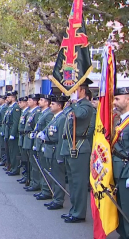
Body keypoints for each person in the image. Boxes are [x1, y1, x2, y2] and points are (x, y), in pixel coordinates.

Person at [60, 79, 94, 223]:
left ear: (82, 90)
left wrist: (73, 103)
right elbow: (65, 116)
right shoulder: (76, 105)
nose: (72, 93)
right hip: (70, 145)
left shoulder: (86, 105)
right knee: (72, 181)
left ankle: (79, 213)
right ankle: (74, 210)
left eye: (75, 90)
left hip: (79, 145)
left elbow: (80, 115)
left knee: (79, 183)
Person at [42, 95, 68, 210]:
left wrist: (60, 155)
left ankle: (58, 200)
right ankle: (55, 197)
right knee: (52, 174)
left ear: (59, 105)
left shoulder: (62, 118)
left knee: (58, 176)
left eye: (53, 104)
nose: (50, 106)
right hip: (50, 148)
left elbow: (62, 138)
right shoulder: (55, 117)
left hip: (56, 149)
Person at [111, 87, 129, 238]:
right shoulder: (119, 119)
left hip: (126, 170)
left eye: (117, 99)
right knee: (121, 206)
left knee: (127, 208)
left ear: (127, 99)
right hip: (118, 167)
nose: (114, 102)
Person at [33, 94, 54, 199]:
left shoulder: (49, 114)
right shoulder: (42, 113)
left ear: (47, 103)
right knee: (41, 166)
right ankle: (43, 189)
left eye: (41, 100)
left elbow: (48, 129)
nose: (39, 101)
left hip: (44, 143)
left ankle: (46, 190)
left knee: (45, 168)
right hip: (39, 142)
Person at [22, 94, 41, 190]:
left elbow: (36, 127)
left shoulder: (37, 112)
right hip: (28, 138)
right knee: (30, 161)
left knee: (34, 163)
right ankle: (31, 181)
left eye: (30, 100)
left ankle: (35, 183)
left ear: (35, 102)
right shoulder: (31, 112)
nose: (28, 102)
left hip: (32, 138)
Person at [4, 91, 21, 176]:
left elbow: (15, 121)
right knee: (10, 151)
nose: (7, 99)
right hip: (8, 130)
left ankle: (15, 168)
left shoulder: (16, 107)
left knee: (14, 152)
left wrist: (13, 134)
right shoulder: (10, 107)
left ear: (13, 98)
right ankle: (11, 166)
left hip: (12, 132)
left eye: (9, 97)